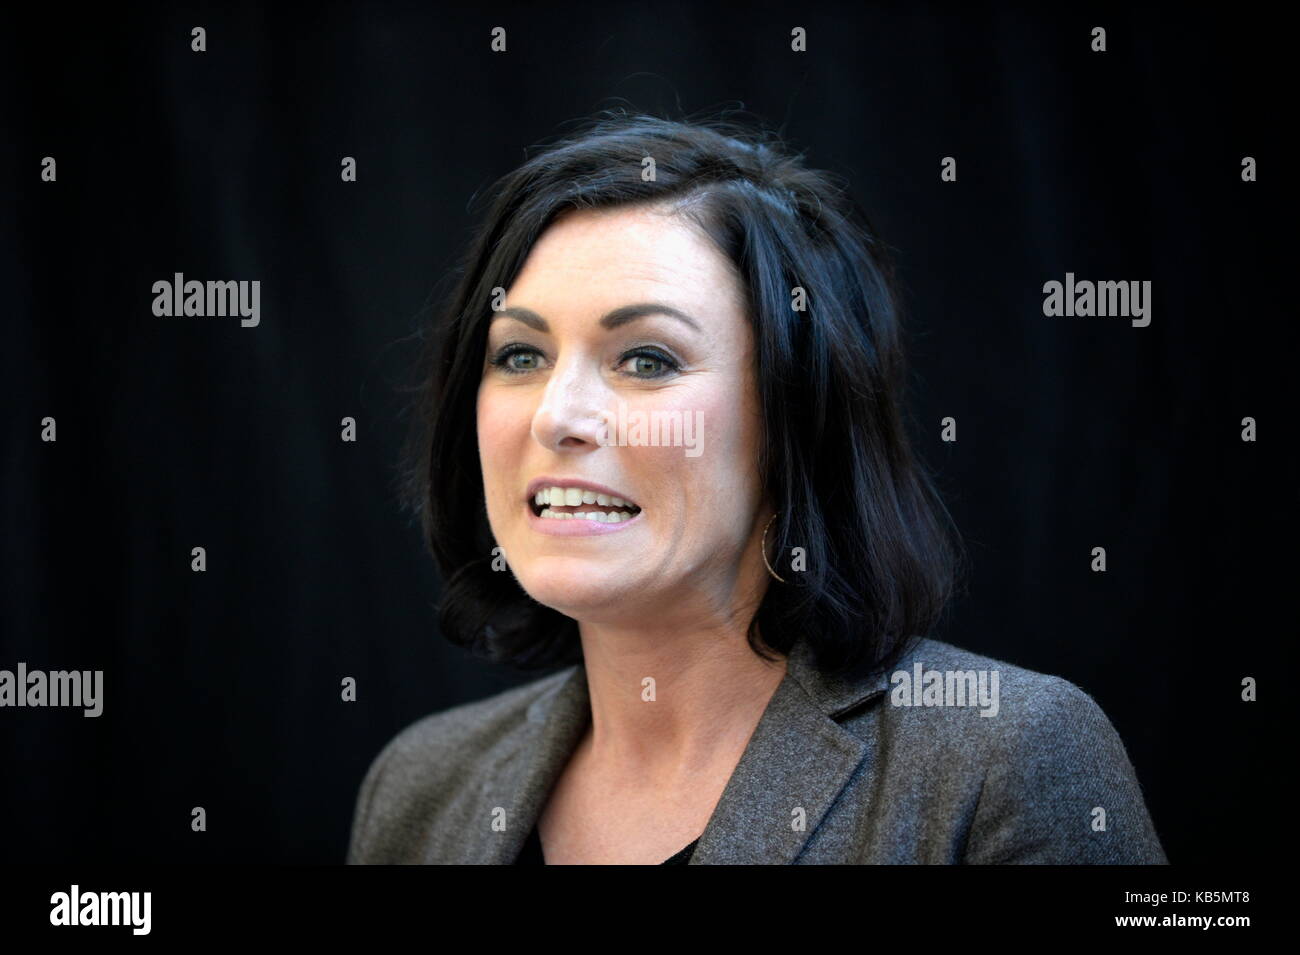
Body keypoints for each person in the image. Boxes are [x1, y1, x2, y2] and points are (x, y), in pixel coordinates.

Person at [346, 111, 1167, 864]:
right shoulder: (420, 784)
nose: (558, 417)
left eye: (647, 359)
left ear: (795, 415)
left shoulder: (1005, 759)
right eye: (520, 355)